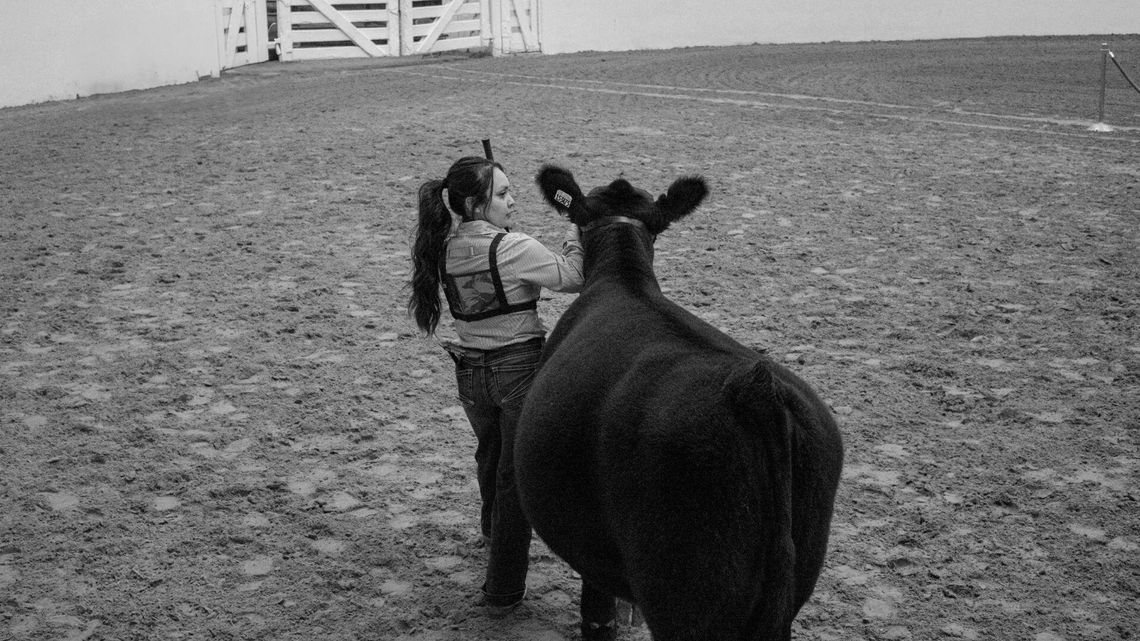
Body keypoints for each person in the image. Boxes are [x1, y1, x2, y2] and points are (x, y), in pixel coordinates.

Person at [408, 156, 585, 613]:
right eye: (503, 194)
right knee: (514, 480)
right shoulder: (515, 247)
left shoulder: (441, 246)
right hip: (518, 368)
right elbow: (574, 277)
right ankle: (503, 588)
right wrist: (574, 230)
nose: (512, 201)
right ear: (474, 202)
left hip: (470, 374)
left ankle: (491, 534)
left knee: (489, 454)